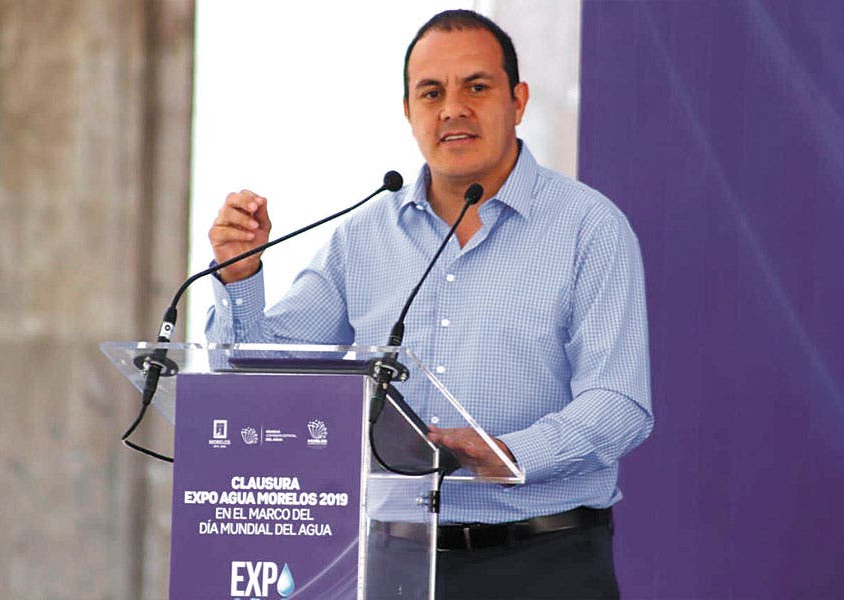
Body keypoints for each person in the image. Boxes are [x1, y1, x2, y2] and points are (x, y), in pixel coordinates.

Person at [206, 10, 652, 599]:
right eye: (432, 92)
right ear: (408, 110)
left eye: (477, 87)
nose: (452, 109)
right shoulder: (361, 236)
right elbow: (261, 374)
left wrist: (508, 453)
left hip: (544, 561)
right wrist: (240, 274)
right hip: (391, 563)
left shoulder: (588, 227)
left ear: (518, 101)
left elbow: (620, 404)